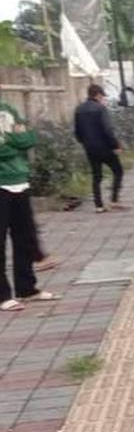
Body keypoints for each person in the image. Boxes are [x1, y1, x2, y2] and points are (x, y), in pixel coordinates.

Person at [0, 101, 59, 312]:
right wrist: (14, 142)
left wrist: (12, 141)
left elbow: (29, 138)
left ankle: (27, 288)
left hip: (19, 180)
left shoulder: (9, 108)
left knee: (24, 236)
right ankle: (3, 295)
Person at [74, 84, 126, 213]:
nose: (103, 99)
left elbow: (77, 131)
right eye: (102, 96)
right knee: (118, 170)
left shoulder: (79, 109)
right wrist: (115, 145)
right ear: (97, 94)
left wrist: (84, 142)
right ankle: (114, 200)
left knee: (96, 175)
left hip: (89, 148)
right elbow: (107, 130)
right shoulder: (100, 109)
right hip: (104, 147)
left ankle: (99, 205)